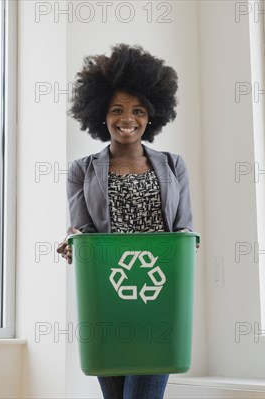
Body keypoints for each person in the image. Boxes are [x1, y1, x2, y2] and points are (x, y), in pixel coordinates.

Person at [57, 43, 195, 399]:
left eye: (137, 110)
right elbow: (84, 231)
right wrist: (74, 242)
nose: (127, 119)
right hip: (110, 301)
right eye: (116, 109)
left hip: (159, 298)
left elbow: (184, 232)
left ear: (152, 115)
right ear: (101, 114)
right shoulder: (81, 171)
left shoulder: (174, 166)